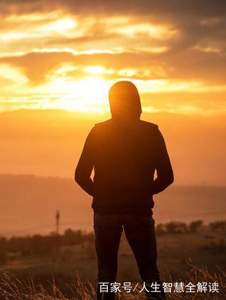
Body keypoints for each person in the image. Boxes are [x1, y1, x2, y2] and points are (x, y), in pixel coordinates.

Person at [75, 81, 174, 300]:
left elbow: (80, 176)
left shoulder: (98, 132)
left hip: (105, 212)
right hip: (139, 211)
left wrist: (101, 195)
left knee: (106, 275)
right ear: (137, 101)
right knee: (150, 273)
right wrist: (144, 193)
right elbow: (167, 176)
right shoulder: (151, 132)